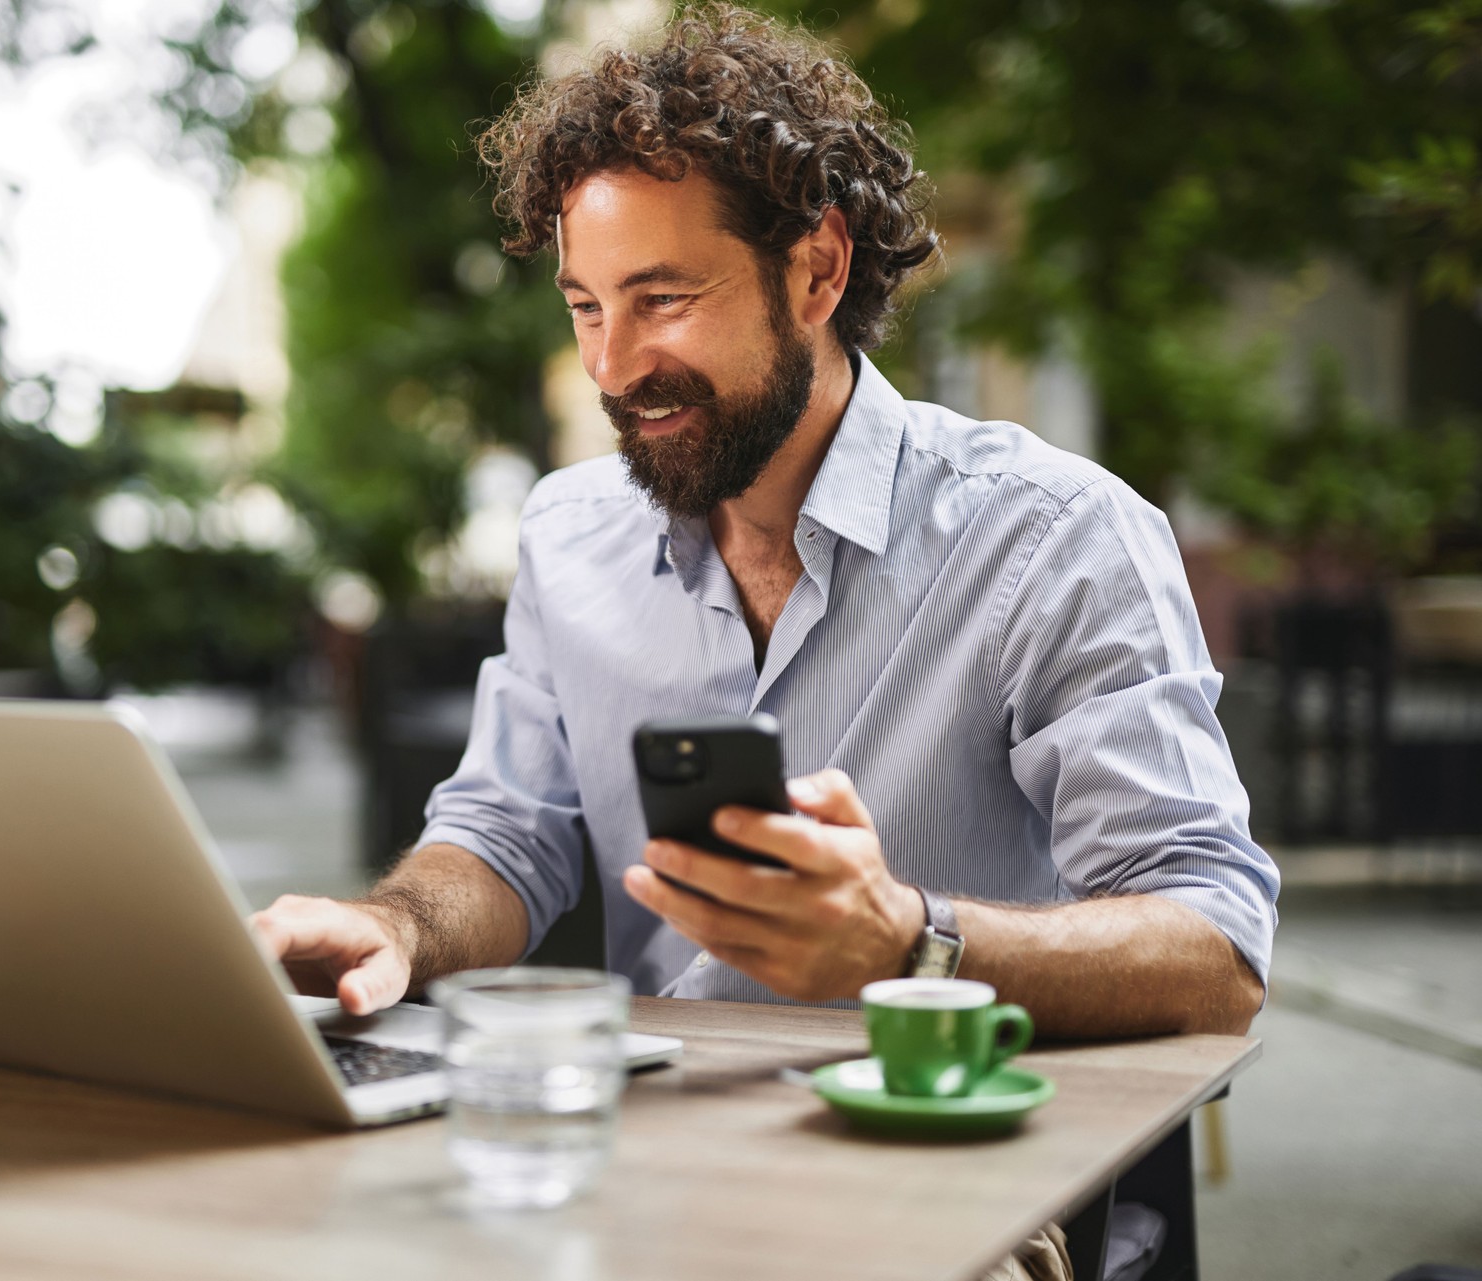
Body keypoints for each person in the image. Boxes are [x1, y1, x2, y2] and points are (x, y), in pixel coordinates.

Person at [253, 5, 1277, 1041]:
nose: (611, 366)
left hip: (952, 1161)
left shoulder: (1054, 537)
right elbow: (507, 835)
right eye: (587, 307)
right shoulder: (568, 535)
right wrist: (393, 927)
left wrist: (911, 942)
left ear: (818, 272)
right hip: (655, 1148)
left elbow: (1218, 951)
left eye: (663, 299)